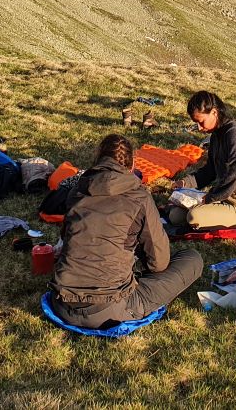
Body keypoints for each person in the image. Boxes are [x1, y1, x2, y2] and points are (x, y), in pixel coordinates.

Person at [50, 134, 202, 328]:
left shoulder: (77, 190)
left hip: (62, 302)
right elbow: (159, 263)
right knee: (192, 259)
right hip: (109, 308)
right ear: (132, 167)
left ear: (97, 162)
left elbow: (69, 239)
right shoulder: (139, 197)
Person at [167, 91, 236, 229]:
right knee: (175, 216)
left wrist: (213, 197)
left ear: (214, 112)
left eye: (201, 122)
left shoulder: (235, 133)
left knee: (194, 217)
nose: (199, 128)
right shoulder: (216, 136)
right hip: (225, 197)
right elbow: (210, 171)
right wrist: (186, 183)